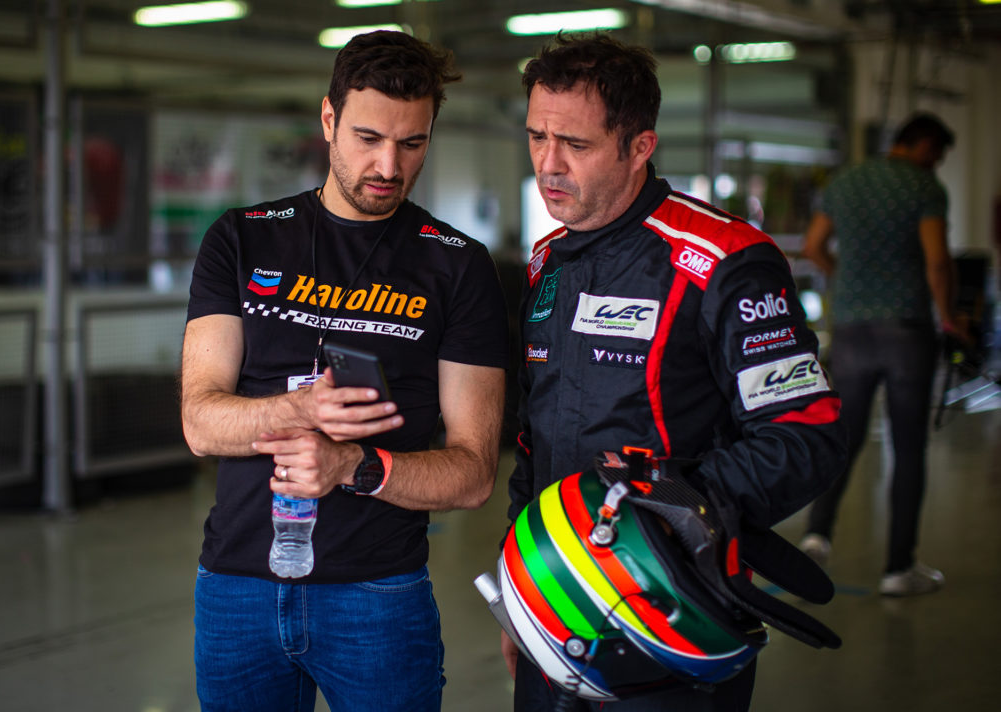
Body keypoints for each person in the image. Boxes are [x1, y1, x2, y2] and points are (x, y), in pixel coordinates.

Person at [502, 33, 846, 711]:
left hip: (672, 611)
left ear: (640, 146)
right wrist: (525, 586)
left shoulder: (725, 261)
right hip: (558, 602)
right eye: (537, 137)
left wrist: (665, 505)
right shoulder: (545, 262)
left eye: (576, 144)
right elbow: (533, 442)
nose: (548, 163)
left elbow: (807, 433)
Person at [180, 30, 508, 712]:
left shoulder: (456, 265)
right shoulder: (242, 238)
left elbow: (474, 473)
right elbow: (201, 423)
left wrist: (353, 465)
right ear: (328, 120)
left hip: (376, 595)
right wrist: (297, 410)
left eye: (412, 143)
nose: (389, 165)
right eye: (368, 138)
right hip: (237, 585)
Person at [799, 113, 965, 596]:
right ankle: (898, 568)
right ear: (923, 145)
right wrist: (950, 317)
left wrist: (848, 281)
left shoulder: (846, 182)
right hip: (907, 330)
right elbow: (937, 261)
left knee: (845, 437)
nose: (937, 163)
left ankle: (816, 535)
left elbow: (813, 246)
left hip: (852, 330)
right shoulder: (924, 187)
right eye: (937, 154)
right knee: (908, 447)